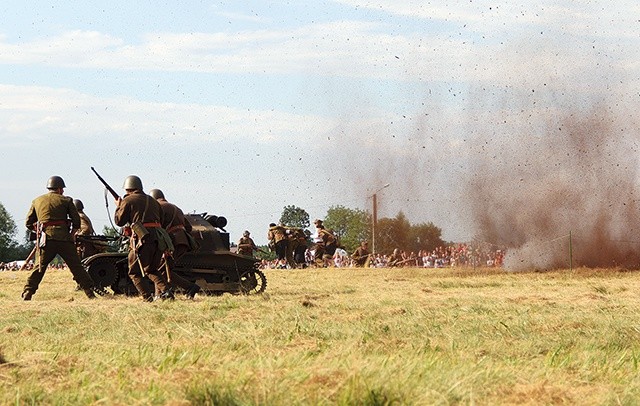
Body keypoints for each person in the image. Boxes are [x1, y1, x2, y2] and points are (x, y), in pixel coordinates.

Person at [21, 176, 100, 300]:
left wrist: (39, 230)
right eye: (62, 189)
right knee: (76, 266)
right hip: (64, 240)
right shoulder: (67, 200)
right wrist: (72, 234)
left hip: (45, 240)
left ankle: (28, 292)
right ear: (58, 189)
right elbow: (76, 221)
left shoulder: (37, 201)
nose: (63, 191)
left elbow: (28, 223)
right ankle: (89, 293)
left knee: (39, 267)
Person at [114, 176, 173, 302]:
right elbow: (161, 220)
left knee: (134, 272)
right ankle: (167, 292)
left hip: (141, 239)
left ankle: (147, 298)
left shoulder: (128, 200)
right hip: (158, 238)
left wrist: (118, 206)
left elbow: (119, 221)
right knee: (151, 269)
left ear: (128, 189)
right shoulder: (153, 201)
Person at [149, 188, 201, 299]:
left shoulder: (158, 207)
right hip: (182, 242)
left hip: (171, 242)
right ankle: (162, 294)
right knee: (162, 269)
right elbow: (189, 227)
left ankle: (189, 287)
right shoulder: (176, 208)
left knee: (159, 269)